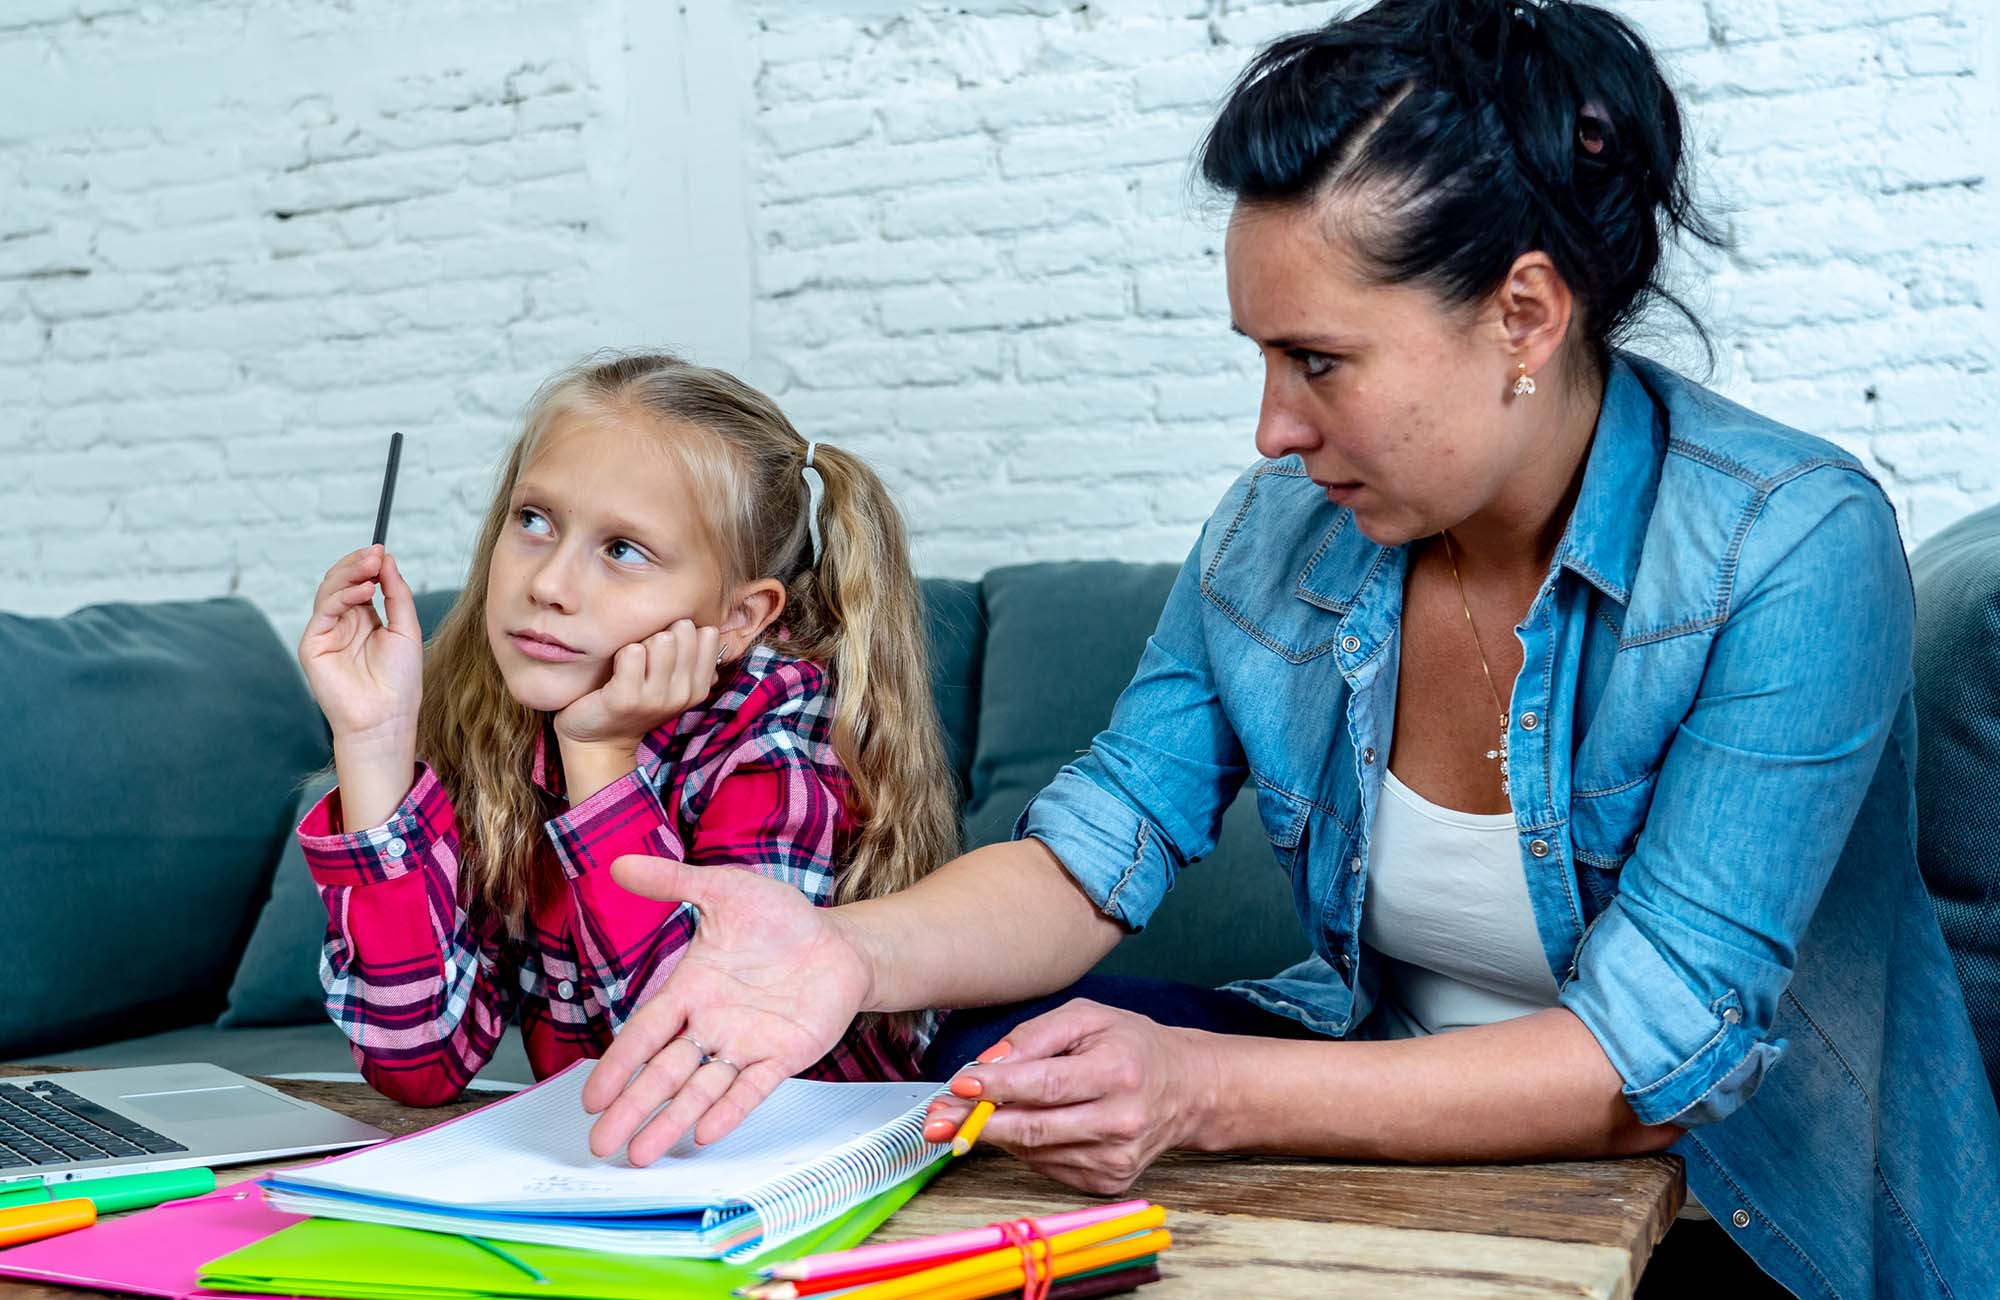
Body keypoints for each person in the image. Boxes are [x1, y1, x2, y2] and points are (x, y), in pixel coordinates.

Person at [577, 2, 2000, 1295]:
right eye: (1260, 358)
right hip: (1388, 1096)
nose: (1273, 428)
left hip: (1739, 1206)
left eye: (1318, 362)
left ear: (1523, 313)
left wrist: (1203, 1089)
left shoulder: (1789, 546)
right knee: (1005, 1057)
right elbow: (1100, 844)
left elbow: (1655, 1062)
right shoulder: (1279, 535)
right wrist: (842, 954)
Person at [293, 351, 958, 1107]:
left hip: (803, 1161)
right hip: (616, 1161)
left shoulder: (777, 738)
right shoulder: (497, 718)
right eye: (534, 521)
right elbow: (416, 1062)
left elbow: (700, 1064)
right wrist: (376, 742)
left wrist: (601, 758)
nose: (547, 585)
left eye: (622, 550)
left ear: (739, 618)